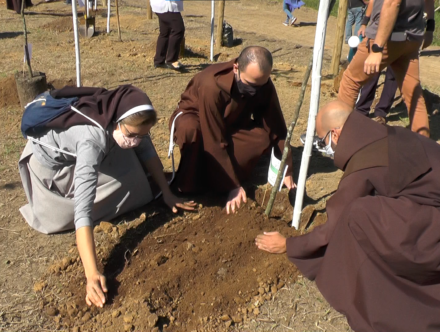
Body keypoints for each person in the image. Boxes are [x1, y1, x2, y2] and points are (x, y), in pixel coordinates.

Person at [256, 100, 440, 332]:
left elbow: (334, 224)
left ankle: (398, 302)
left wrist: (289, 245)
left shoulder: (365, 163)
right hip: (430, 211)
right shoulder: (386, 135)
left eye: (323, 141)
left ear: (336, 133)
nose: (324, 148)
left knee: (359, 215)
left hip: (433, 232)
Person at [18, 85, 196, 308]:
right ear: (117, 122)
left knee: (134, 174)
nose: (136, 141)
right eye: (131, 135)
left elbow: (145, 149)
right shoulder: (92, 140)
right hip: (54, 172)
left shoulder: (122, 109)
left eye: (142, 135)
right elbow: (83, 210)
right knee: (131, 186)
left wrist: (167, 193)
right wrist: (91, 273)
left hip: (85, 149)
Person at [168, 46, 296, 215]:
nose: (255, 91)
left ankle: (216, 177)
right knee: (191, 129)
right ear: (236, 68)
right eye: (250, 85)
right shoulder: (211, 85)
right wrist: (233, 186)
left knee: (262, 137)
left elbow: (276, 125)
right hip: (198, 120)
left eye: (261, 85)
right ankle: (193, 182)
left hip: (230, 124)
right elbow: (213, 137)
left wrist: (286, 168)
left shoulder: (261, 84)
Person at [337, 0, 435, 137]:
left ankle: (338, 138)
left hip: (388, 37)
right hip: (412, 38)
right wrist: (430, 28)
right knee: (414, 95)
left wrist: (377, 48)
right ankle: (424, 148)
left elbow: (392, 3)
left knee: (350, 81)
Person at [150, 0, 185, 70]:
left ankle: (159, 61)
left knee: (165, 32)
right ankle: (171, 60)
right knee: (178, 30)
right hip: (166, 5)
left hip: (162, 6)